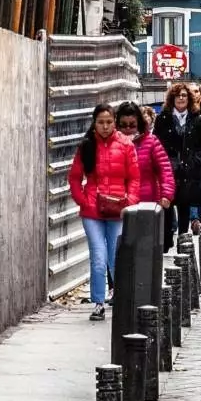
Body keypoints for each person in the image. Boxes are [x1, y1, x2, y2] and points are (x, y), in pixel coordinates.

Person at [68, 101, 140, 320]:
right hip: (93, 211)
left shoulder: (126, 145)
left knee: (116, 257)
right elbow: (74, 177)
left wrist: (129, 202)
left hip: (118, 210)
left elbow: (134, 178)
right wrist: (83, 200)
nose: (105, 126)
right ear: (94, 123)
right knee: (98, 257)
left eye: (109, 122)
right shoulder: (87, 146)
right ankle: (98, 302)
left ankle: (120, 296)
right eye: (101, 122)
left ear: (114, 123)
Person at [152, 81, 201, 244]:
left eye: (184, 95)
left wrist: (196, 162)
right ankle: (168, 236)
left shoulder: (199, 120)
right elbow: (156, 143)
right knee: (167, 204)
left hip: (189, 169)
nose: (181, 98)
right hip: (168, 168)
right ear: (172, 98)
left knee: (185, 204)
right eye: (178, 95)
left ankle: (183, 239)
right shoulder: (163, 119)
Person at [116, 101, 175, 244]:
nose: (128, 129)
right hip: (116, 204)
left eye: (132, 124)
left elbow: (165, 169)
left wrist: (166, 195)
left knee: (143, 246)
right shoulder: (110, 143)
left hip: (145, 203)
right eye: (123, 125)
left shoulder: (151, 141)